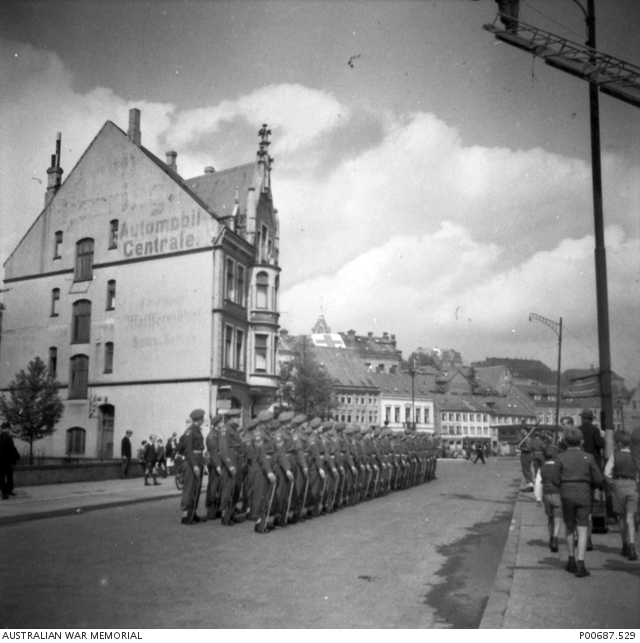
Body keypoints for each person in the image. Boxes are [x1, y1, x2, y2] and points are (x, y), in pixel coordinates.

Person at [551, 426, 604, 578]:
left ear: (565, 442)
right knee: (582, 528)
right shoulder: (588, 457)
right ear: (581, 441)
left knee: (569, 526)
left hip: (567, 493)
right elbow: (599, 479)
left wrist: (563, 485)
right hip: (584, 493)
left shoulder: (560, 457)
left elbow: (555, 479)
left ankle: (571, 560)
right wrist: (589, 486)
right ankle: (581, 564)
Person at [604, 431, 638, 561]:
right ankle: (632, 547)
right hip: (632, 486)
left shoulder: (615, 456)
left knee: (621, 518)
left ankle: (624, 544)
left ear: (618, 444)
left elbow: (607, 473)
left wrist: (613, 484)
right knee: (630, 518)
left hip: (618, 485)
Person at [180, 409, 206, 525]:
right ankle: (185, 515)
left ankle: (192, 513)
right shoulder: (190, 431)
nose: (203, 420)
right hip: (192, 462)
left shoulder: (197, 430)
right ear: (199, 419)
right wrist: (195, 466)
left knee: (196, 488)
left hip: (198, 460)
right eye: (202, 418)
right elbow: (188, 450)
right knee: (189, 488)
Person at [534, 444, 562, 552]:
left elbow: (538, 484)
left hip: (546, 496)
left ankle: (551, 538)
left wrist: (538, 498)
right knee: (557, 519)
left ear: (544, 456)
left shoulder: (542, 469)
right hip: (557, 494)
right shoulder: (558, 468)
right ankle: (555, 538)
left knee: (550, 518)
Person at [0, 422, 20, 499]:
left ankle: (4, 492)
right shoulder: (8, 437)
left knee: (1, 476)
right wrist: (17, 457)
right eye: (8, 428)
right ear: (6, 429)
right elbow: (12, 449)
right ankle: (7, 491)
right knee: (9, 476)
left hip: (1, 460)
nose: (9, 429)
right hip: (7, 460)